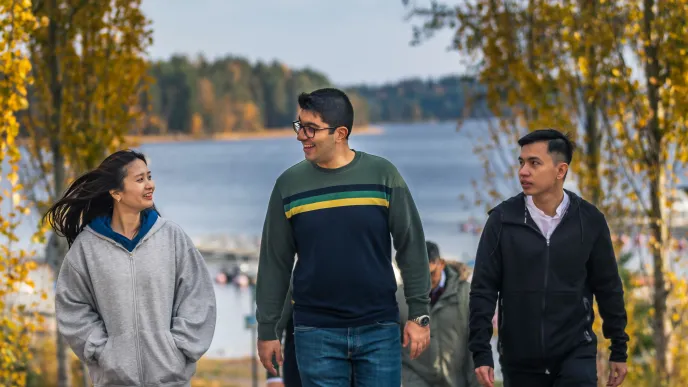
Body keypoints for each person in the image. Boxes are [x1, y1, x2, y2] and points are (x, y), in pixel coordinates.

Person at [255, 87, 431, 387]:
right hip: (315, 332)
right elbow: (275, 263)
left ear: (340, 133)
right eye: (300, 126)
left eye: (311, 128)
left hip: (379, 328)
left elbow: (411, 246)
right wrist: (267, 329)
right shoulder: (288, 185)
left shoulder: (383, 175)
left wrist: (419, 314)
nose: (301, 136)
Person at [468, 129, 629, 387]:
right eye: (521, 162)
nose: (523, 171)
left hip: (576, 356)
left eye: (534, 163)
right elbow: (483, 290)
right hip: (519, 361)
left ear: (560, 170)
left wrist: (619, 349)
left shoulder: (589, 221)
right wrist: (481, 352)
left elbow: (609, 287)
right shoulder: (502, 220)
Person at [47, 149, 217, 387]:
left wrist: (179, 349)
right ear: (116, 192)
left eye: (149, 176)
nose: (150, 185)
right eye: (140, 180)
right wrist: (102, 351)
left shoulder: (171, 237)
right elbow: (72, 306)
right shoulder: (88, 247)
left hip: (171, 381)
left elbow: (197, 297)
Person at [397, 241, 480, 387]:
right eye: (419, 276)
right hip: (415, 379)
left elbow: (475, 342)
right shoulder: (399, 297)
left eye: (430, 274)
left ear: (441, 263)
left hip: (456, 380)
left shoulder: (466, 295)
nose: (426, 282)